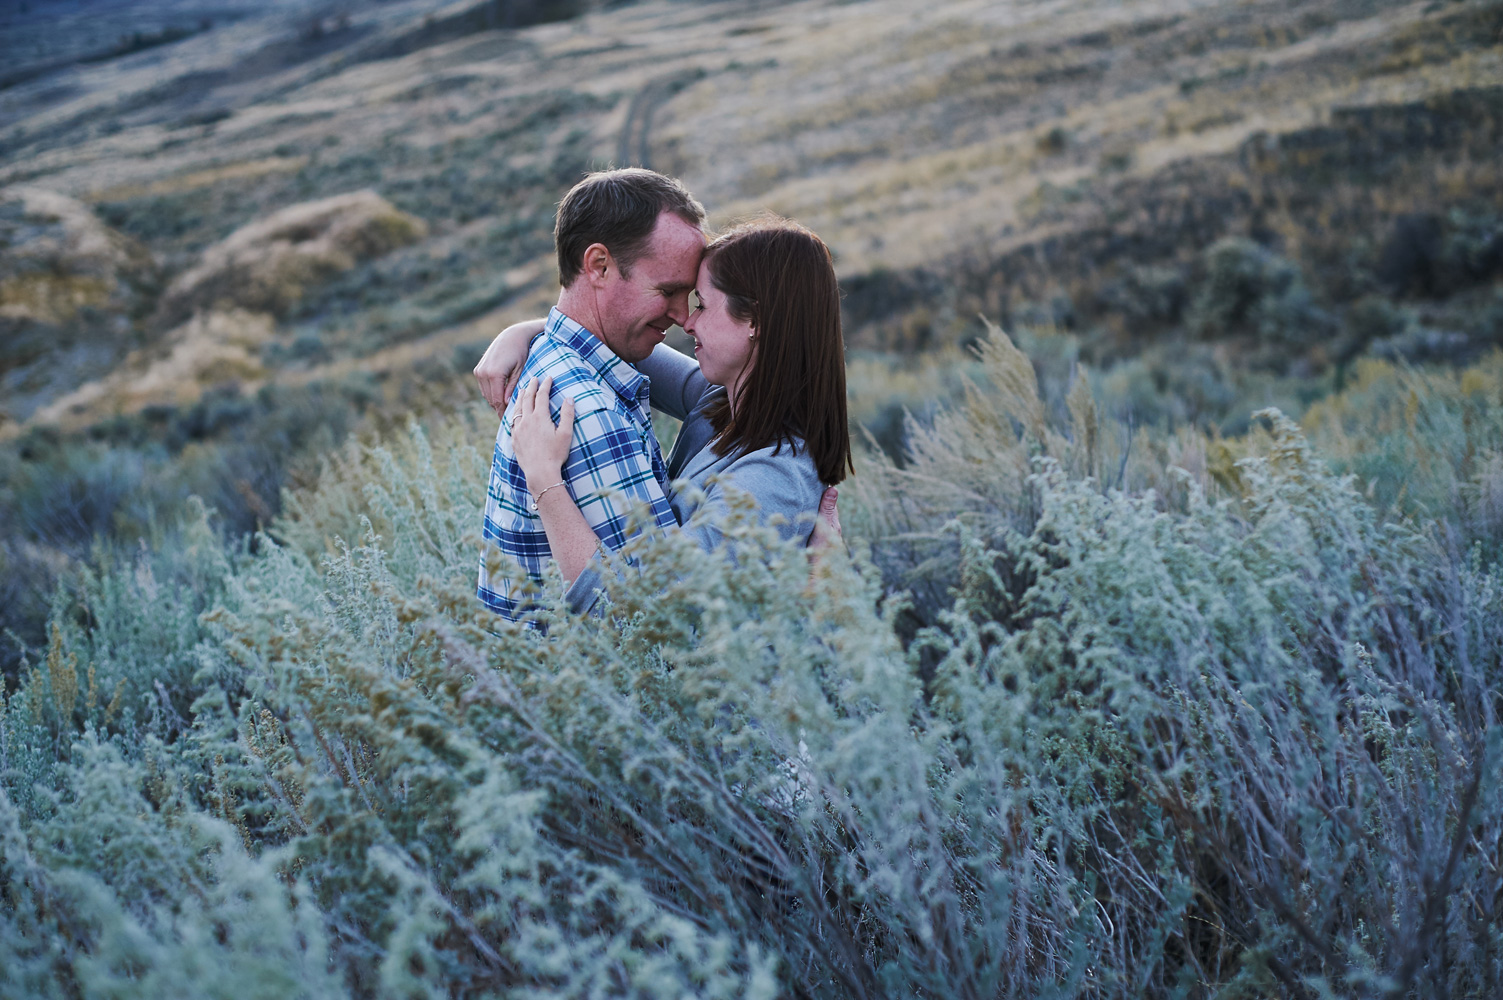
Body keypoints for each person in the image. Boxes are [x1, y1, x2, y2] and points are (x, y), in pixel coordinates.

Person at [477, 215, 849, 616]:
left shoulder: (772, 477)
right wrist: (522, 332)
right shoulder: (721, 402)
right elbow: (609, 334)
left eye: (702, 305)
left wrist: (544, 481)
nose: (686, 322)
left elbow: (646, 620)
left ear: (755, 321)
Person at [475, 167, 707, 620]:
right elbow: (660, 622)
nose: (683, 315)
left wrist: (525, 327)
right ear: (598, 265)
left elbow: (709, 389)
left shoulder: (561, 361)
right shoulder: (585, 408)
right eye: (668, 291)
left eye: (692, 295)